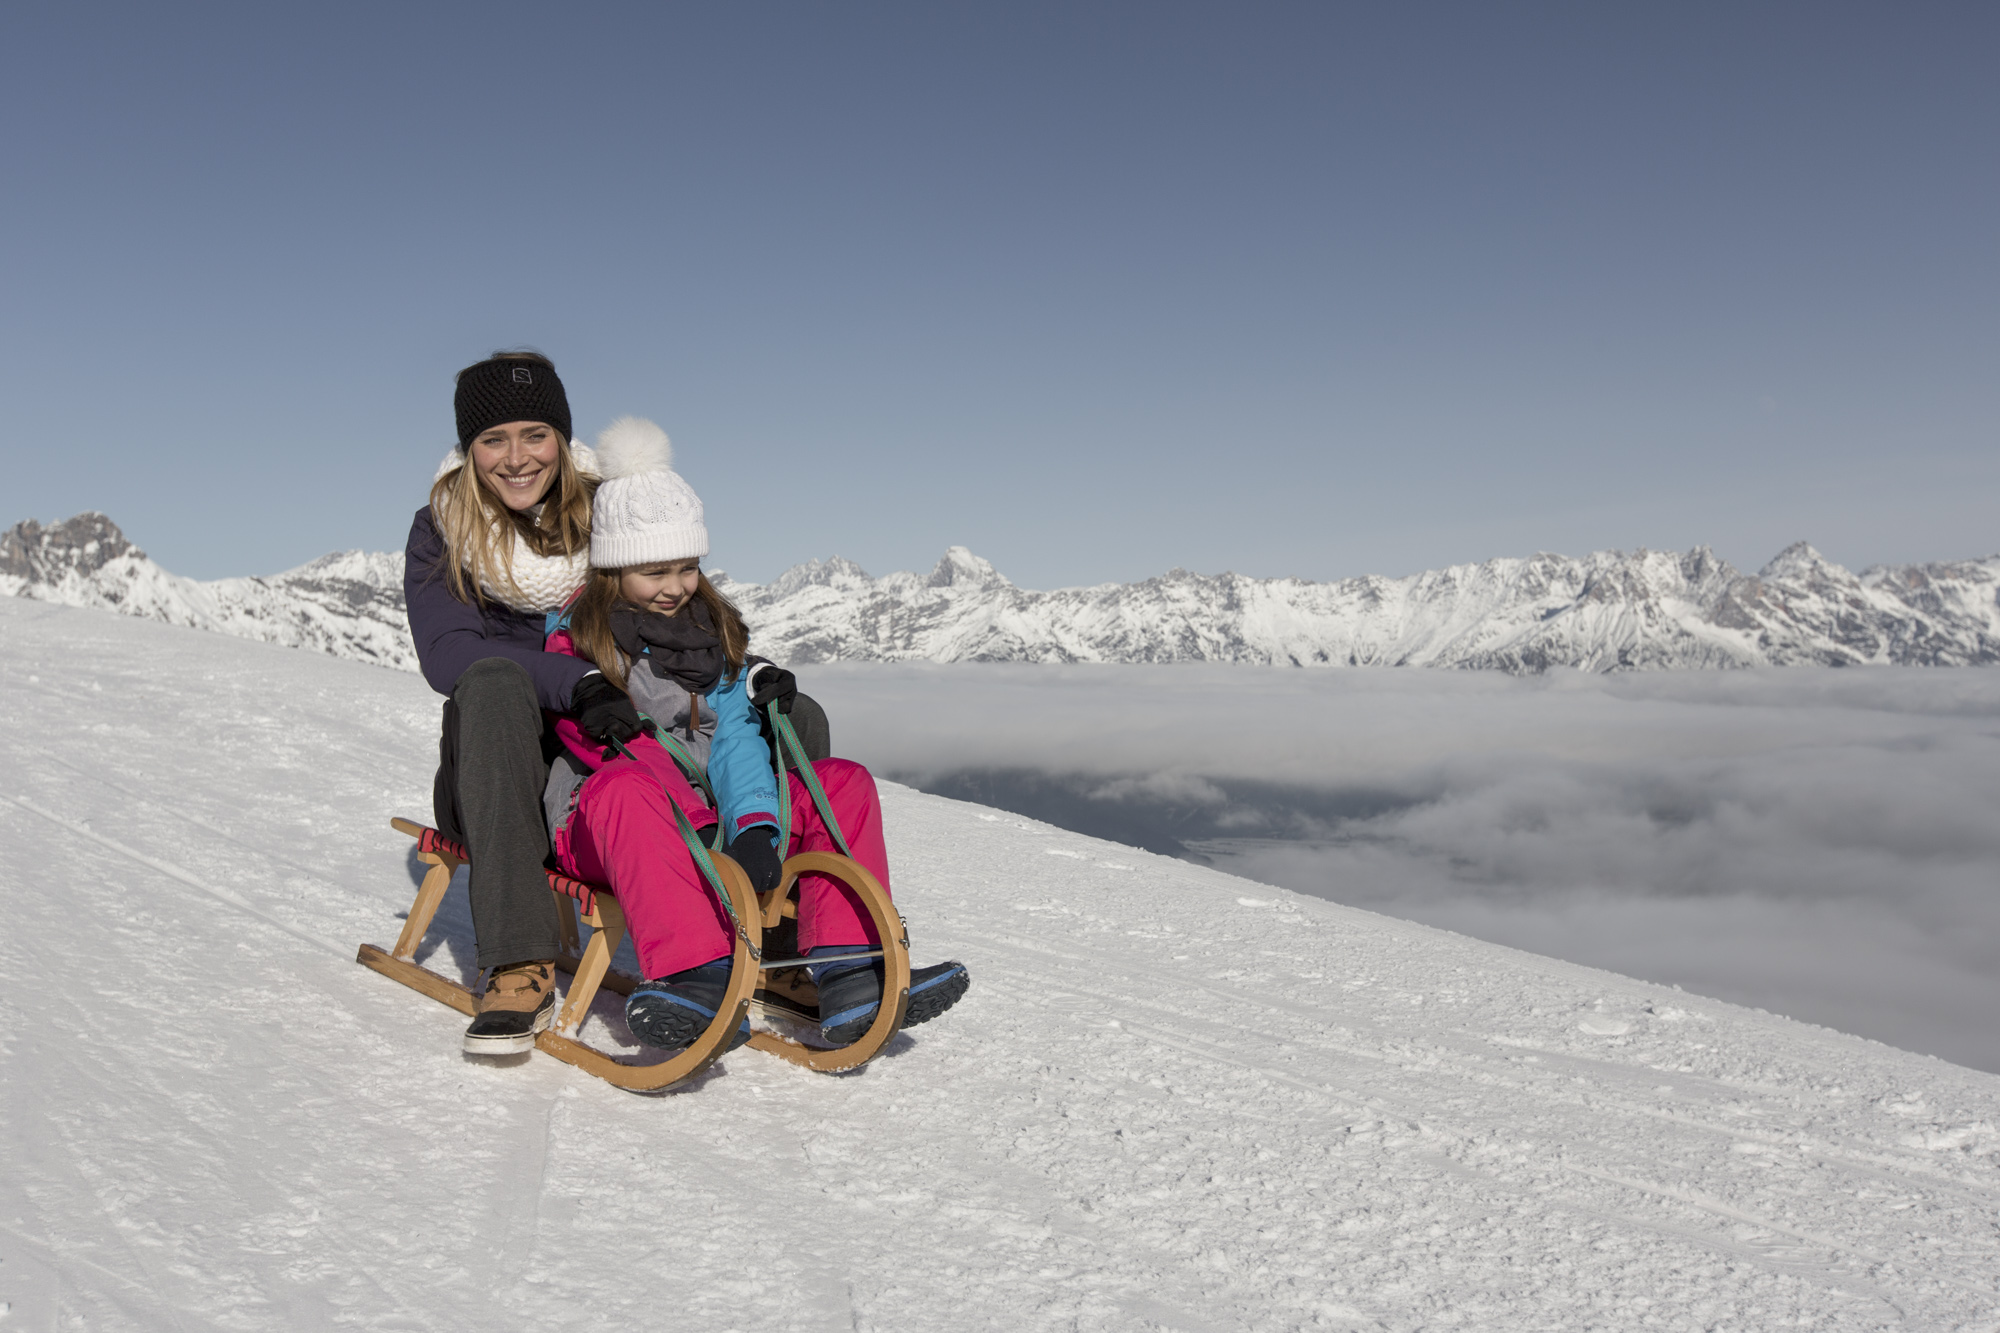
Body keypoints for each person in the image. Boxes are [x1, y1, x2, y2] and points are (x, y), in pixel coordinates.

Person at [540, 416, 970, 1049]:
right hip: (604, 817)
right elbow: (607, 754)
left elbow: (736, 736)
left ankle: (852, 973)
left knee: (842, 782)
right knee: (629, 789)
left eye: (686, 568)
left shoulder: (707, 637)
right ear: (613, 570)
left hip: (706, 815)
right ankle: (696, 980)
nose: (674, 587)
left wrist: (753, 829)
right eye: (654, 572)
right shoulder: (577, 643)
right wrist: (700, 824)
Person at [405, 350, 644, 1054]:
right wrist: (575, 680)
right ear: (468, 449)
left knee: (770, 712)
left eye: (534, 434)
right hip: (490, 771)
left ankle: (789, 937)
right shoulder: (442, 529)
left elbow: (671, 607)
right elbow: (448, 655)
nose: (516, 458)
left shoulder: (612, 519)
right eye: (493, 439)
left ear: (563, 441)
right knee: (493, 680)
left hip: (597, 754)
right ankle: (517, 959)